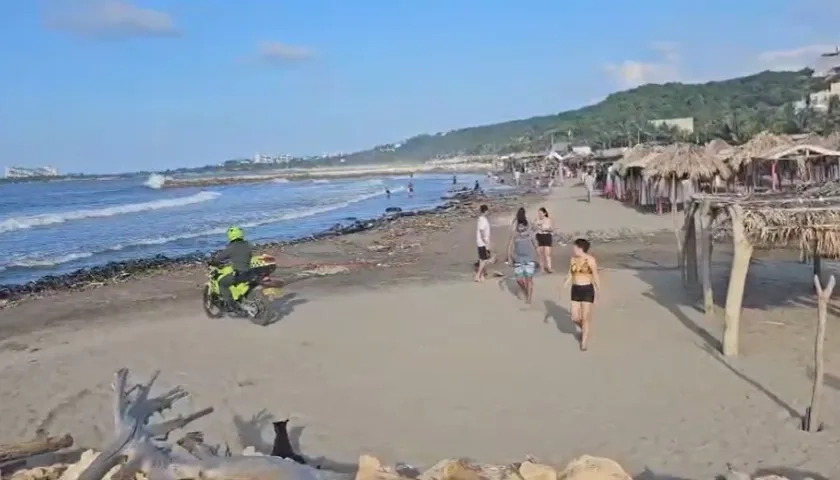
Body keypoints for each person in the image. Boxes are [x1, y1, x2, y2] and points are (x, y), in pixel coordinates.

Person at [562, 238, 600, 351]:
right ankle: (584, 328)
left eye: (574, 247)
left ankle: (583, 342)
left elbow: (596, 275)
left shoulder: (590, 260)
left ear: (580, 248)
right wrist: (564, 285)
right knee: (574, 317)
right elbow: (570, 273)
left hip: (587, 289)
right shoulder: (573, 259)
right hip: (575, 289)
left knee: (585, 317)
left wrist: (598, 291)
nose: (573, 249)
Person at [211, 226, 254, 313]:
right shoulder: (248, 244)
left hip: (240, 274)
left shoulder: (232, 247)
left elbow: (220, 257)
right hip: (250, 272)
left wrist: (213, 261)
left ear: (230, 236)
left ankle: (231, 305)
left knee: (222, 283)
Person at [507, 214, 538, 304]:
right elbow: (509, 245)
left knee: (529, 279)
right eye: (519, 226)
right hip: (518, 258)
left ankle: (529, 298)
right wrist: (509, 257)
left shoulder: (529, 233)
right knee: (519, 279)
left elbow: (535, 244)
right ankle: (525, 290)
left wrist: (539, 257)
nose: (521, 227)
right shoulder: (515, 234)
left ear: (525, 226)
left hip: (529, 258)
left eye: (522, 226)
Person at [475, 204, 493, 282]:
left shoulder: (482, 219)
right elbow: (482, 230)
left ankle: (482, 276)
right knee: (484, 260)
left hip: (481, 242)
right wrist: (485, 240)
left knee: (482, 259)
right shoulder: (482, 219)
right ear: (485, 211)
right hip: (482, 243)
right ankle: (477, 275)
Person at [535, 207, 553, 273]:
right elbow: (534, 228)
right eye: (538, 213)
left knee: (547, 253)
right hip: (539, 236)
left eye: (540, 213)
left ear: (544, 213)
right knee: (541, 254)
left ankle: (549, 267)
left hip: (547, 236)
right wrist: (537, 227)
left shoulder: (548, 220)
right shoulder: (536, 220)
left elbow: (551, 229)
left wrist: (545, 229)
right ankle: (542, 268)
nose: (539, 214)